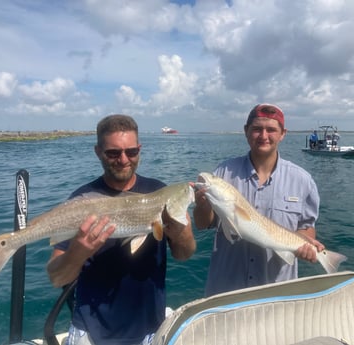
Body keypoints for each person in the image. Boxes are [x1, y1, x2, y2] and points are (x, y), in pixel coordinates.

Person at [47, 114, 196, 345]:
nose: (123, 159)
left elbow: (184, 254)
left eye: (131, 152)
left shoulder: (158, 191)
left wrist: (181, 232)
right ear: (98, 151)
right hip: (90, 330)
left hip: (150, 328)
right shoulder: (82, 200)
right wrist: (77, 252)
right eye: (113, 153)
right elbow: (57, 278)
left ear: (139, 149)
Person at [193, 103, 325, 297]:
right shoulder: (223, 172)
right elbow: (203, 223)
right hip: (226, 290)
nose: (263, 136)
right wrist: (202, 204)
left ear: (283, 133)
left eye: (271, 129)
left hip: (277, 292)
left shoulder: (303, 180)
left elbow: (307, 226)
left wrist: (306, 244)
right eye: (257, 129)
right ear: (246, 131)